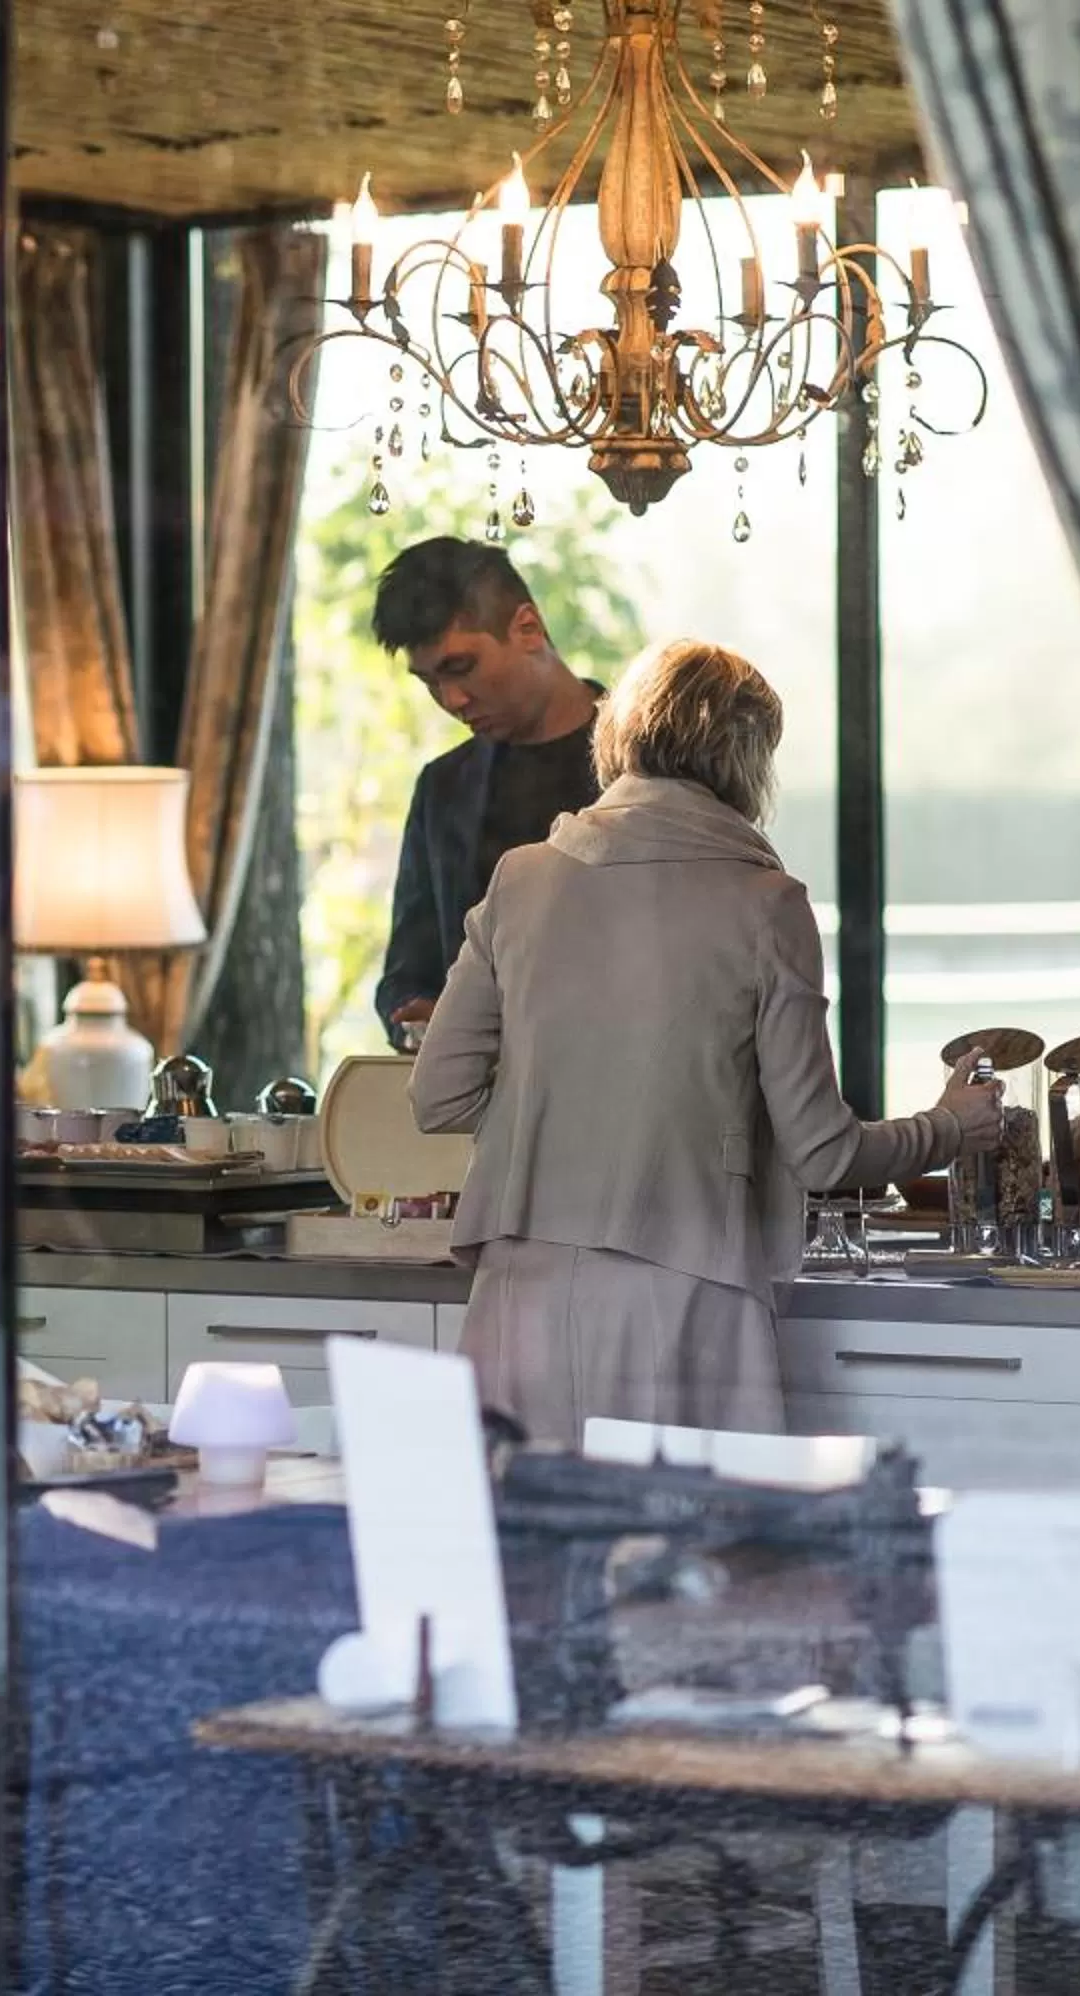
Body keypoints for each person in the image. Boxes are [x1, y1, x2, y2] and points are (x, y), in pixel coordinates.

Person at [410, 639, 1002, 1441]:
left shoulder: (521, 880)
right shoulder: (766, 903)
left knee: (519, 1554)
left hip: (521, 1295)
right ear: (748, 758)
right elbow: (823, 1153)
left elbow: (437, 1094)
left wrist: (553, 1110)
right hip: (683, 1294)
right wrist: (950, 1128)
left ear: (621, 736)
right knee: (690, 1556)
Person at [369, 536, 607, 1047]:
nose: (450, 699)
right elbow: (408, 969)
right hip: (480, 1111)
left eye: (460, 667)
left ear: (527, 627)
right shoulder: (442, 787)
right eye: (428, 681)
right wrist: (412, 1017)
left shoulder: (648, 763)